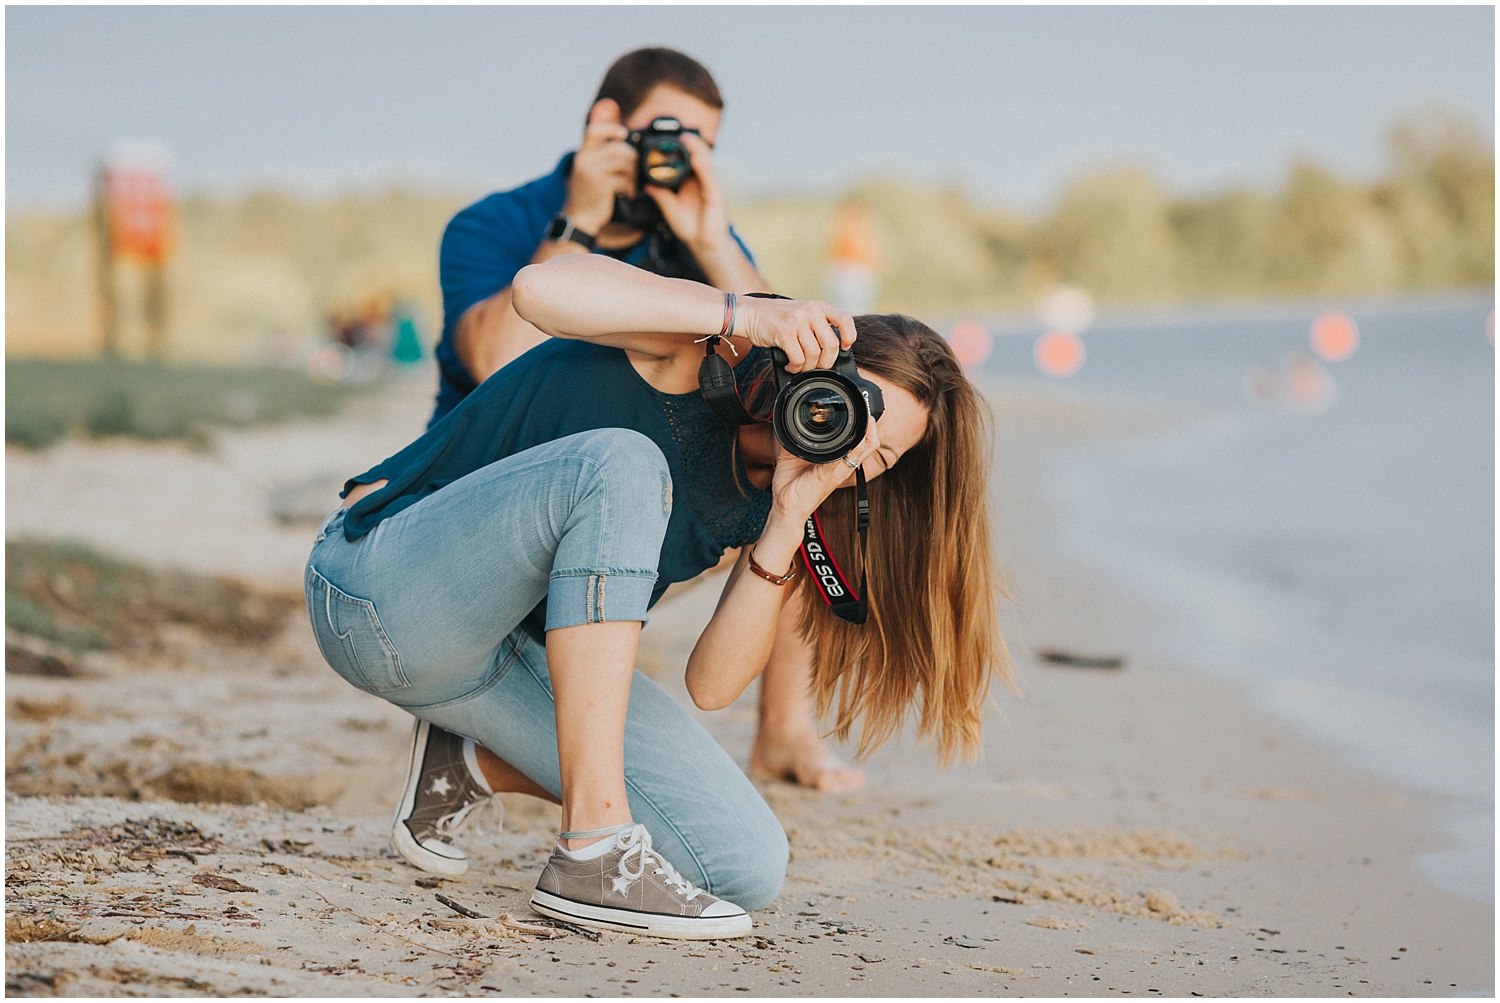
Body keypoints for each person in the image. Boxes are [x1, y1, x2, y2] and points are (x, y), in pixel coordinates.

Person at [305, 254, 1007, 938]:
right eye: (853, 411)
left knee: (744, 859)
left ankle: (464, 765)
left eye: (877, 456)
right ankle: (592, 847)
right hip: (376, 589)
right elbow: (539, 290)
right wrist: (752, 313)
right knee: (623, 464)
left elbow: (714, 682)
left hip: (485, 662)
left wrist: (787, 521)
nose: (849, 449)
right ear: (821, 366)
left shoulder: (791, 499)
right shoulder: (695, 349)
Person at [418, 46, 863, 875]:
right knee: (626, 470)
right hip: (487, 505)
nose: (682, 157)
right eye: (669, 134)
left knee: (809, 472)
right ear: (605, 126)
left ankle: (784, 727)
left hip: (615, 511)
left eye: (703, 144)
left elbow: (803, 365)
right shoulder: (494, 223)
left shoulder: (696, 239)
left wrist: (712, 239)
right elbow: (498, 360)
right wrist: (581, 220)